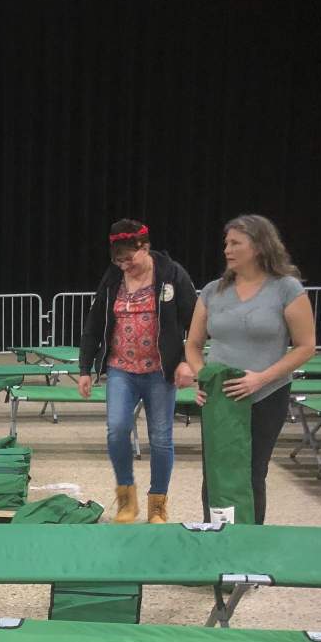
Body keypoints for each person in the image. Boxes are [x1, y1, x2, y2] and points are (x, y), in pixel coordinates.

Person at [183, 214, 316, 524]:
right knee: (216, 471)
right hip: (220, 398)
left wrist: (260, 379)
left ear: (258, 246)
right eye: (226, 243)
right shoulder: (213, 291)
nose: (227, 250)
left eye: (235, 243)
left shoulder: (286, 289)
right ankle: (215, 534)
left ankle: (249, 539)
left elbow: (306, 346)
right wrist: (203, 377)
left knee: (252, 472)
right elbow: (193, 345)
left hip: (266, 395)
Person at [77, 220, 198, 523]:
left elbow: (196, 322)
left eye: (129, 259)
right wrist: (85, 368)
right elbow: (94, 324)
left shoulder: (172, 275)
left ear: (145, 247)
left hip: (160, 372)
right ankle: (126, 500)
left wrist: (187, 360)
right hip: (121, 369)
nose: (124, 266)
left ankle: (158, 504)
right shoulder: (112, 279)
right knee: (117, 429)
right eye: (118, 261)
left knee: (160, 438)